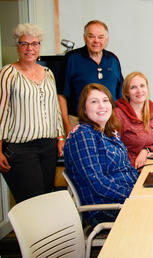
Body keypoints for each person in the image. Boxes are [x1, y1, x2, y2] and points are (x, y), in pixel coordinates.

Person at [0, 23, 65, 203]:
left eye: (35, 44)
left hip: (48, 146)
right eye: (24, 44)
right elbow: (2, 110)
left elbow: (54, 109)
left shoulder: (48, 73)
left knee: (45, 196)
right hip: (21, 148)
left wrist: (60, 137)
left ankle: (42, 232)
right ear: (17, 46)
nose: (30, 48)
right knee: (32, 201)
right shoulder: (8, 73)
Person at [64, 83, 138, 226]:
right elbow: (98, 184)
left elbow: (127, 169)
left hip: (125, 199)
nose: (102, 106)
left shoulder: (111, 133)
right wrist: (134, 195)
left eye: (105, 100)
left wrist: (142, 186)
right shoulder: (83, 134)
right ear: (84, 109)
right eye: (94, 101)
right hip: (106, 208)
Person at [58, 20, 123, 135]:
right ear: (84, 37)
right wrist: (67, 126)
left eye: (101, 37)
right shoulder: (72, 58)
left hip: (108, 123)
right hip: (78, 123)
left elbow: (119, 96)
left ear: (106, 39)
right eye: (91, 36)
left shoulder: (113, 60)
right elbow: (61, 95)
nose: (96, 41)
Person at [115, 72, 153, 169]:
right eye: (133, 87)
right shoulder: (118, 114)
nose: (139, 91)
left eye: (142, 86)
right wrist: (134, 162)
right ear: (127, 92)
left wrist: (146, 150)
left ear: (147, 88)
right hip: (129, 167)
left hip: (150, 161)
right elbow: (115, 147)